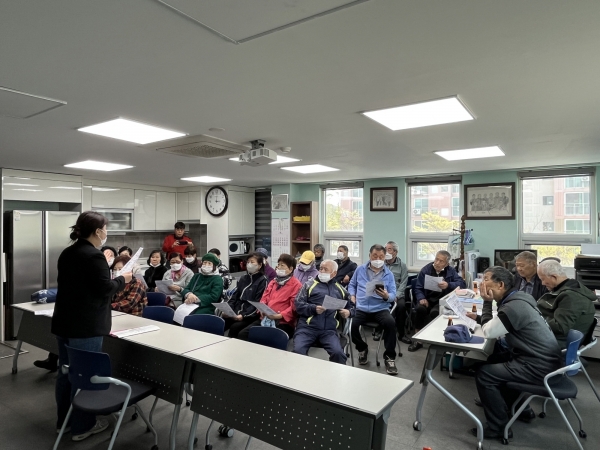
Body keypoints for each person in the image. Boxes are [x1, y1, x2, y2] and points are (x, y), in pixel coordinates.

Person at [51, 211, 132, 441]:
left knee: (66, 373)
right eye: (105, 229)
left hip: (64, 323)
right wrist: (123, 279)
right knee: (85, 376)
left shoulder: (68, 252)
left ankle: (64, 423)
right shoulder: (94, 256)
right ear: (97, 231)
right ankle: (83, 426)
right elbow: (104, 289)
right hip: (86, 327)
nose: (106, 233)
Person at [471, 266, 561, 440]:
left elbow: (488, 332)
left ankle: (498, 427)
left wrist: (487, 302)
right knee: (496, 357)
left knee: (484, 374)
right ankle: (521, 409)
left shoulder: (513, 307)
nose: (482, 283)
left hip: (538, 366)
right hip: (545, 360)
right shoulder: (520, 298)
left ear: (500, 285)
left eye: (486, 279)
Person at [349, 244, 398, 375]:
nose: (378, 259)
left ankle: (389, 357)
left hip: (380, 308)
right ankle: (362, 348)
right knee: (351, 325)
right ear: (369, 255)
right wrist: (352, 295)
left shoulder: (389, 274)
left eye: (381, 257)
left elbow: (393, 294)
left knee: (390, 323)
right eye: (375, 256)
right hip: (361, 307)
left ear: (385, 257)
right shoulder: (360, 269)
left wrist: (386, 296)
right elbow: (352, 285)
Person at [293, 260, 354, 364]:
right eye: (321, 269)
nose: (322, 271)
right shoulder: (309, 285)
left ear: (334, 273)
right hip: (307, 328)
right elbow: (298, 305)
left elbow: (353, 307)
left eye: (326, 269)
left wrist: (349, 312)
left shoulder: (340, 289)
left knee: (338, 354)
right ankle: (302, 372)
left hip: (328, 330)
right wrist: (313, 308)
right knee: (298, 351)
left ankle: (334, 373)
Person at [409, 250, 466, 352]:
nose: (437, 263)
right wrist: (421, 298)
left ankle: (435, 339)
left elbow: (462, 284)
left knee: (435, 312)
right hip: (427, 298)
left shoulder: (450, 271)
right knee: (420, 310)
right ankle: (418, 340)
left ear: (447, 263)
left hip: (441, 301)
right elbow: (418, 288)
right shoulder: (426, 270)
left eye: (441, 261)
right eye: (436, 259)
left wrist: (448, 285)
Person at [237, 254, 302, 340]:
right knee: (243, 334)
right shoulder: (274, 282)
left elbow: (293, 307)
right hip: (266, 317)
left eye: (282, 265)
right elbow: (264, 297)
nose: (279, 267)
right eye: (278, 264)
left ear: (290, 269)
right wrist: (262, 309)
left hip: (283, 322)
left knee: (263, 338)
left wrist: (278, 316)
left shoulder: (296, 285)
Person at [536, 260, 596, 348]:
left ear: (554, 277)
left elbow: (560, 327)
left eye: (543, 279)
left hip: (557, 342)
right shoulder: (563, 289)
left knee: (515, 340)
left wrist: (534, 319)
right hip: (548, 336)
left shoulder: (571, 297)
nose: (542, 283)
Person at [221, 253, 268, 338]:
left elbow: (257, 303)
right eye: (248, 262)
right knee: (220, 322)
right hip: (235, 312)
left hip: (250, 315)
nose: (249, 264)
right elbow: (234, 296)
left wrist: (243, 315)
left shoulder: (263, 280)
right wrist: (228, 310)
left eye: (252, 262)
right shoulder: (243, 278)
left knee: (235, 327)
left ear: (260, 265)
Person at [373, 241, 410, 344]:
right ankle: (379, 330)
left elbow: (403, 283)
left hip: (397, 294)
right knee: (377, 303)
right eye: (385, 249)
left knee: (401, 306)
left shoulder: (402, 266)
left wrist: (396, 296)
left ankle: (401, 334)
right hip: (382, 292)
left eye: (389, 249)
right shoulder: (380, 264)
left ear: (395, 252)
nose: (386, 251)